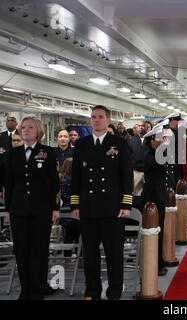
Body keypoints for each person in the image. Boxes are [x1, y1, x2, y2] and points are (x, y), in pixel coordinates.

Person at [71, 105, 133, 300]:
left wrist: (126, 204)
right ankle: (92, 292)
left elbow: (127, 176)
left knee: (114, 254)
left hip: (113, 208)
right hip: (88, 208)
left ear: (108, 120)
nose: (96, 120)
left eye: (100, 117)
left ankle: (114, 292)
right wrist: (75, 204)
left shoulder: (119, 143)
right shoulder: (82, 144)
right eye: (93, 117)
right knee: (90, 256)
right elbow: (76, 178)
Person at [4, 117, 60, 300]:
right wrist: (8, 209)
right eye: (24, 127)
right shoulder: (13, 153)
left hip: (41, 209)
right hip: (18, 209)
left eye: (30, 127)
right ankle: (25, 292)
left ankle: (37, 292)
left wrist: (55, 207)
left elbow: (54, 182)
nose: (26, 130)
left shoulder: (47, 152)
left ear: (38, 131)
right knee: (21, 251)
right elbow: (9, 184)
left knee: (39, 251)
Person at [140, 121, 170, 276]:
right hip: (153, 198)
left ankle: (158, 261)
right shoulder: (149, 155)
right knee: (155, 232)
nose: (163, 140)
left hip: (158, 196)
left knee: (159, 231)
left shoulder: (155, 153)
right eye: (160, 138)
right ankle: (156, 264)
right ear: (152, 141)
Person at [59, 158, 80, 259]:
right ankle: (80, 258)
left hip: (66, 212)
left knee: (68, 237)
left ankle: (67, 257)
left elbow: (65, 197)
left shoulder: (62, 182)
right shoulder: (79, 182)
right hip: (77, 211)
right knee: (78, 237)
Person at [127, 120, 148, 195]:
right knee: (133, 192)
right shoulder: (131, 140)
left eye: (143, 126)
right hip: (136, 172)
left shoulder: (150, 140)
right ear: (136, 128)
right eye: (139, 126)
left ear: (146, 127)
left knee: (149, 192)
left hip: (148, 172)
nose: (141, 128)